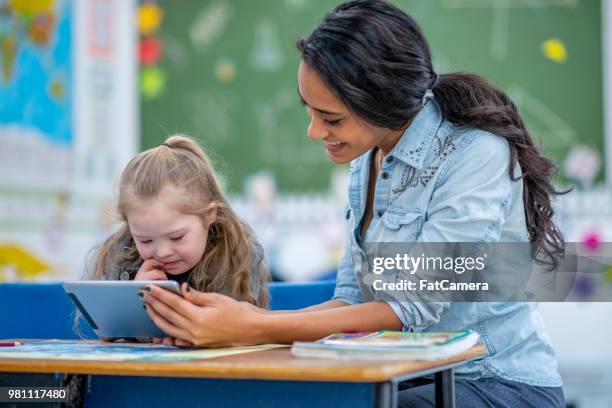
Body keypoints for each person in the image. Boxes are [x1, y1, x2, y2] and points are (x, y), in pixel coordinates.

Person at [141, 1, 566, 405]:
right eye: (309, 110)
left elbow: (410, 306)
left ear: (382, 101)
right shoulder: (369, 158)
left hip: (492, 382)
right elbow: (351, 299)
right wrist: (234, 324)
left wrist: (253, 327)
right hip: (404, 376)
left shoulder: (475, 154)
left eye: (331, 119)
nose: (313, 131)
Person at [87, 134, 268, 307]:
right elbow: (107, 331)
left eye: (176, 237)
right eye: (145, 240)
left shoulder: (236, 253)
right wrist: (133, 297)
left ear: (210, 214)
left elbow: (240, 329)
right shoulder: (121, 255)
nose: (163, 252)